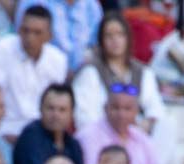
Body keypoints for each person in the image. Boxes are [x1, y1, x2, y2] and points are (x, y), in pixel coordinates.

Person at [71, 14, 169, 143]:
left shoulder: (143, 72)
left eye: (120, 34)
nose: (115, 40)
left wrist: (147, 122)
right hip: (103, 138)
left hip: (136, 137)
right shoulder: (90, 72)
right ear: (101, 40)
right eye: (109, 36)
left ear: (127, 38)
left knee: (168, 125)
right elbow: (85, 118)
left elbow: (156, 108)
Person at [0, 5, 67, 141]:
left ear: (49, 36)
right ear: (18, 29)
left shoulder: (58, 60)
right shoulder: (0, 50)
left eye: (37, 33)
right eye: (25, 31)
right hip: (4, 130)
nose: (30, 38)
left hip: (43, 132)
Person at [75, 83, 164, 164]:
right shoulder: (88, 136)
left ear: (136, 112)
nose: (121, 114)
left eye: (127, 109)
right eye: (115, 108)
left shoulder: (143, 139)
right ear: (105, 108)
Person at [12, 82, 85, 164]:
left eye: (62, 110)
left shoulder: (73, 144)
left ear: (71, 114)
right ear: (40, 109)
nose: (55, 115)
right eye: (51, 108)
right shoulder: (30, 138)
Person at [13, 0, 102, 72]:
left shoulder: (91, 5)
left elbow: (96, 46)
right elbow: (23, 37)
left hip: (81, 75)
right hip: (39, 69)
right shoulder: (32, 2)